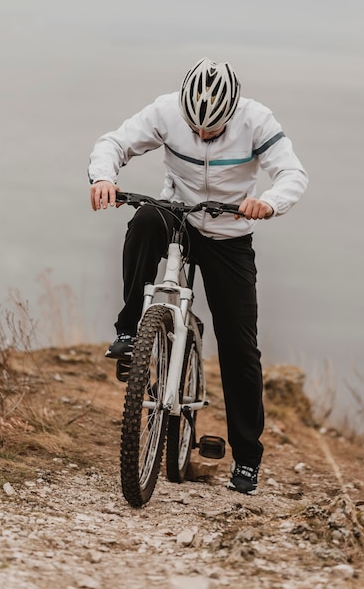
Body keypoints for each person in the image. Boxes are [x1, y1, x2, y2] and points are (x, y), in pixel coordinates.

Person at [88, 58, 307, 495]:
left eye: (214, 130)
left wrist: (269, 201)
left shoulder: (257, 120)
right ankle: (131, 330)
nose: (204, 134)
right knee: (147, 219)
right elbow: (114, 142)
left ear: (232, 113)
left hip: (229, 233)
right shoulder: (166, 111)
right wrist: (103, 177)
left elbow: (292, 174)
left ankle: (246, 458)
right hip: (180, 217)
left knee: (240, 347)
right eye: (196, 127)